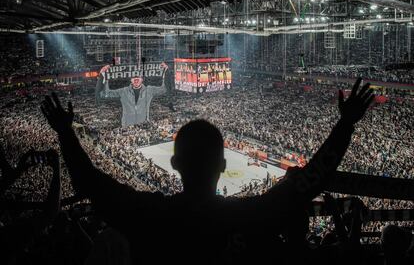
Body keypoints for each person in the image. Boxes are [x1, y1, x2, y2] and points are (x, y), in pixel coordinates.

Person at [41, 78, 374, 265]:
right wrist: (345, 124)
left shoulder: (147, 214)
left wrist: (65, 133)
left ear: (174, 164)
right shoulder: (251, 215)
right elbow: (310, 179)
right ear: (223, 164)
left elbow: (90, 182)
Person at [95, 62, 168, 127]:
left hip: (143, 126)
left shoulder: (149, 90)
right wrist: (104, 76)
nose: (136, 79)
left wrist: (165, 72)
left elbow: (164, 89)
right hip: (127, 126)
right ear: (130, 79)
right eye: (133, 77)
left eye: (138, 77)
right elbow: (105, 94)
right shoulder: (123, 91)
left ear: (142, 79)